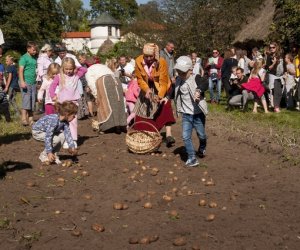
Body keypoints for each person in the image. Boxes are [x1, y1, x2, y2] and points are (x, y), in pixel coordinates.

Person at [133, 43, 176, 142]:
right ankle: (145, 132)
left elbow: (163, 82)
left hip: (160, 86)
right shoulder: (138, 61)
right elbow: (140, 79)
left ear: (155, 55)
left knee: (165, 107)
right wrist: (147, 90)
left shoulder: (162, 62)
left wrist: (160, 96)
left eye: (150, 56)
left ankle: (168, 135)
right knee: (143, 109)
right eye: (146, 56)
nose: (148, 58)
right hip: (147, 87)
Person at [173, 56, 208, 167]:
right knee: (185, 136)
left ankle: (202, 148)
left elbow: (205, 83)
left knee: (201, 135)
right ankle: (192, 158)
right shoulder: (178, 80)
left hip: (198, 115)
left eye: (183, 72)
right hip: (186, 115)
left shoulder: (196, 78)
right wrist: (166, 97)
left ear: (190, 70)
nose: (180, 75)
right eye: (178, 72)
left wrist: (199, 90)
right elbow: (173, 91)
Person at [49, 58, 87, 147]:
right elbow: (52, 86)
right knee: (63, 121)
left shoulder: (76, 75)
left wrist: (75, 67)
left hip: (73, 103)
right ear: (62, 68)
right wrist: (52, 95)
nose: (69, 71)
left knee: (73, 121)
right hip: (63, 103)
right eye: (66, 69)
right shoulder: (59, 76)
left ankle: (73, 140)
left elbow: (85, 69)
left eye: (70, 69)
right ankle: (65, 139)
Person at [85, 63, 127, 133]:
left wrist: (96, 96)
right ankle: (119, 126)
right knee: (118, 103)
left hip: (104, 81)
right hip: (116, 80)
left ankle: (105, 127)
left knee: (104, 105)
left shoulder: (88, 71)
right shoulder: (102, 66)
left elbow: (91, 84)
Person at [159, 41, 176, 147]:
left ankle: (168, 135)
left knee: (167, 106)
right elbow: (163, 68)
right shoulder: (161, 54)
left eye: (173, 47)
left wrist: (173, 76)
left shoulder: (171, 55)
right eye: (171, 47)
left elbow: (172, 67)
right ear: (166, 46)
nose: (172, 49)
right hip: (161, 82)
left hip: (169, 82)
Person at [19, 41, 38, 126]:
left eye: (36, 50)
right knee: (26, 100)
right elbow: (20, 71)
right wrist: (22, 82)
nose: (35, 51)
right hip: (25, 82)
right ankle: (23, 118)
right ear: (28, 49)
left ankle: (30, 118)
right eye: (33, 50)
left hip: (33, 82)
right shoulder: (23, 58)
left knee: (32, 100)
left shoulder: (34, 58)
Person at [265, 42, 285, 112]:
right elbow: (268, 68)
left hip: (281, 75)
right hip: (273, 75)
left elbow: (283, 65)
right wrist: (274, 63)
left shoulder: (280, 55)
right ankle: (275, 107)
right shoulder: (269, 56)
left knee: (279, 91)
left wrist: (285, 73)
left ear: (276, 48)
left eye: (273, 47)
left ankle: (276, 106)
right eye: (270, 47)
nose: (271, 49)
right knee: (274, 90)